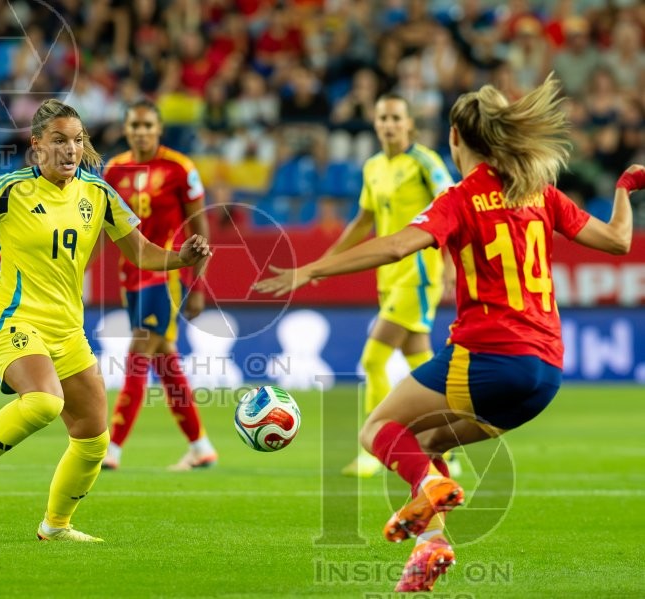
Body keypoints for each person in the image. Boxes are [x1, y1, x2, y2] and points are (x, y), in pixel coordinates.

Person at [254, 75, 641, 591]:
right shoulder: (540, 192)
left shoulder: (461, 197)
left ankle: (433, 485)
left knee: (377, 431)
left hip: (486, 354)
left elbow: (395, 246)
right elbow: (618, 240)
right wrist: (624, 188)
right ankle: (430, 545)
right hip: (545, 373)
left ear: (456, 138)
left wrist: (311, 271)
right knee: (425, 441)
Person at [0, 100, 210, 542]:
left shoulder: (99, 194)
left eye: (77, 141)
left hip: (67, 329)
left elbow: (141, 252)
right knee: (44, 401)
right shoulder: (11, 188)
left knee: (93, 437)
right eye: (59, 140)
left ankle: (56, 525)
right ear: (36, 146)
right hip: (14, 320)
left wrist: (181, 258)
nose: (70, 150)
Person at [322, 93, 456, 477]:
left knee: (373, 360)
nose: (389, 124)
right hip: (389, 275)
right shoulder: (373, 167)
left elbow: (452, 207)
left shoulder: (425, 162)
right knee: (420, 361)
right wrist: (329, 259)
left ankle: (375, 446)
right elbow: (364, 220)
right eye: (382, 118)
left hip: (418, 273)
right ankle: (447, 445)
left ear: (409, 123)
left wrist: (447, 262)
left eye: (396, 117)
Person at [100, 99, 218, 471]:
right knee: (166, 361)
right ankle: (201, 446)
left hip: (164, 275)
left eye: (148, 126)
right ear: (125, 129)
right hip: (129, 275)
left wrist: (198, 285)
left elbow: (199, 227)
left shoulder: (180, 168)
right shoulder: (113, 169)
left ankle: (112, 449)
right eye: (135, 126)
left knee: (139, 348)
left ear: (159, 128)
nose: (141, 132)